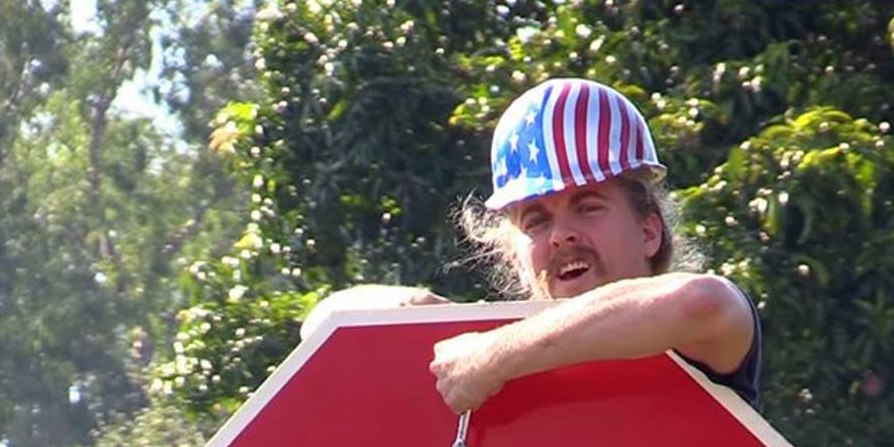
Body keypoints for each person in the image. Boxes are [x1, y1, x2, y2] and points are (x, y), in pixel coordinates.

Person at [301, 78, 761, 411]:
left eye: (588, 206)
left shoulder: (703, 341)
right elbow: (323, 324)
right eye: (537, 220)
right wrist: (422, 312)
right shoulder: (477, 358)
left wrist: (494, 356)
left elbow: (702, 302)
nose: (561, 235)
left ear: (649, 231)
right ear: (515, 258)